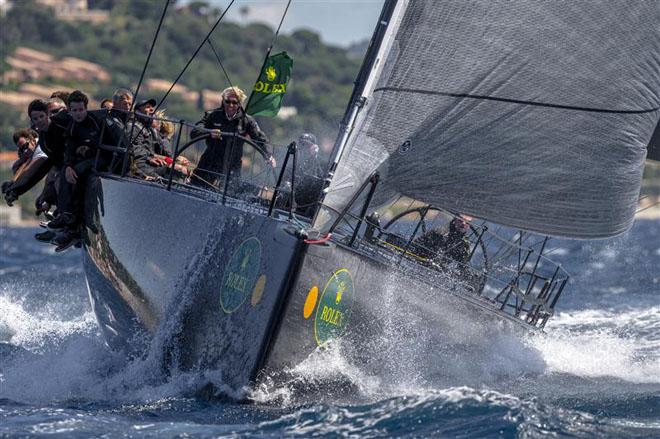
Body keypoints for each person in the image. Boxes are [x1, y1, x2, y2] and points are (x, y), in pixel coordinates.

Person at [49, 90, 124, 251]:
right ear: (69, 111)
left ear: (86, 108)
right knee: (66, 173)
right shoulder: (72, 127)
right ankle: (67, 216)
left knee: (83, 173)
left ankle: (75, 219)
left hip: (105, 160)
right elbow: (69, 149)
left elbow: (121, 143)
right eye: (74, 110)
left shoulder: (99, 120)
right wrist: (68, 166)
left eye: (81, 110)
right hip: (86, 161)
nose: (78, 114)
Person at [190, 86, 275, 190]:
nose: (231, 105)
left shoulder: (247, 121)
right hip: (209, 162)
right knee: (195, 188)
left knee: (230, 195)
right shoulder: (213, 115)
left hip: (232, 166)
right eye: (227, 101)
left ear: (240, 103)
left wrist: (269, 155)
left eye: (234, 102)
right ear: (223, 101)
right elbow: (195, 131)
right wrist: (209, 132)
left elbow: (260, 138)